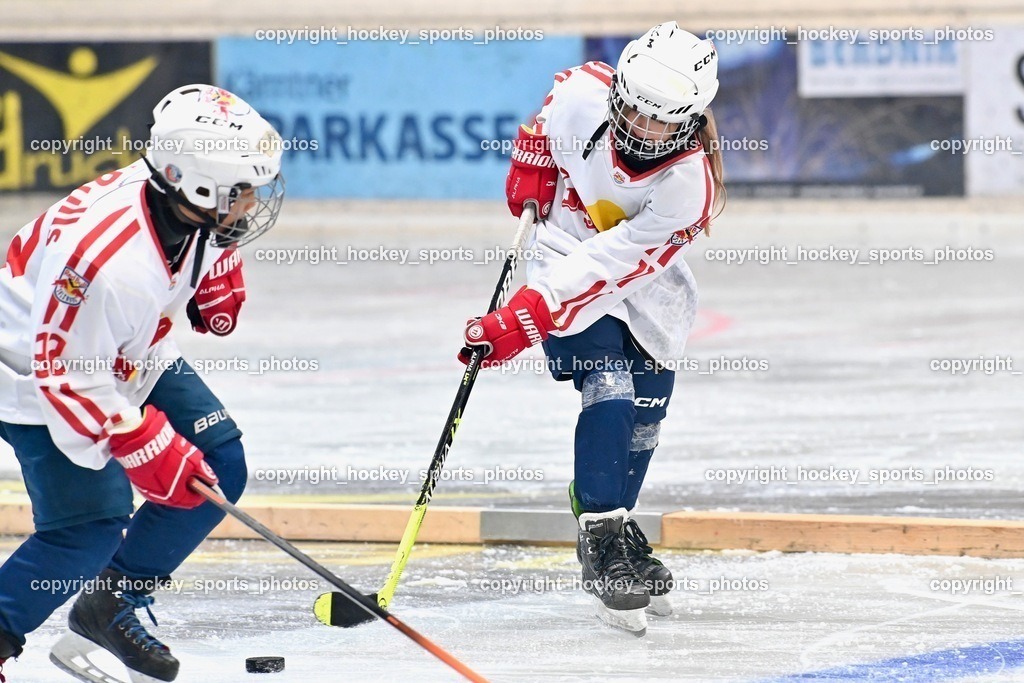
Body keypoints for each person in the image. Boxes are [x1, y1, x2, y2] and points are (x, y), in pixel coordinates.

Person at [0, 84, 285, 682]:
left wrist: (217, 256)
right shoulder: (109, 265)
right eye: (242, 192)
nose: (254, 201)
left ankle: (110, 604)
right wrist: (142, 441)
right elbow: (67, 373)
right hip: (32, 368)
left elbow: (190, 240)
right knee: (87, 528)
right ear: (199, 187)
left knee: (218, 462)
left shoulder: (178, 196)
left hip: (122, 344)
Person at [461, 22, 725, 634]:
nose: (642, 130)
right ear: (619, 93)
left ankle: (615, 520)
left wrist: (524, 315)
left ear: (690, 120)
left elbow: (613, 264)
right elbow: (547, 117)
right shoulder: (583, 93)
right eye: (633, 110)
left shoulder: (689, 186)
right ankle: (601, 533)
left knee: (648, 414)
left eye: (662, 122)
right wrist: (532, 158)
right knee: (608, 385)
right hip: (560, 254)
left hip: (641, 280)